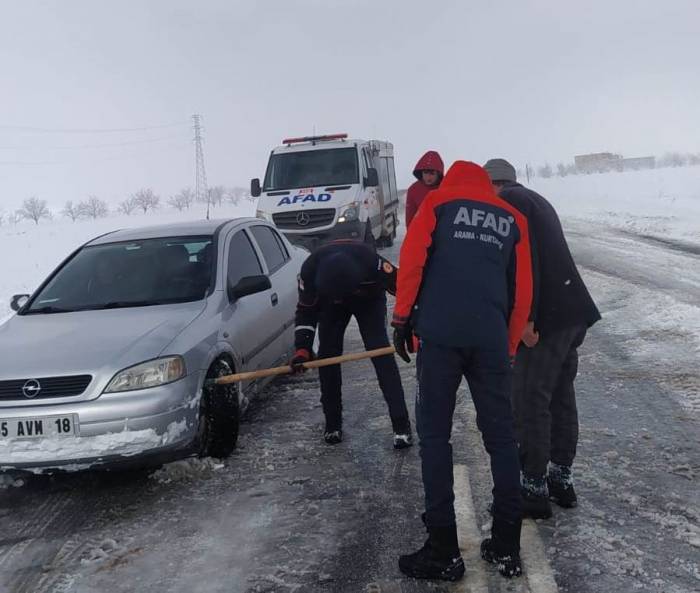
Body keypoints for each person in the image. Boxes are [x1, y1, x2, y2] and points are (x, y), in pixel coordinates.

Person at [392, 161, 533, 580]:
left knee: (435, 438)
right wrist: (506, 345)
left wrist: (401, 320)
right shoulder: (513, 219)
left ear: (450, 180)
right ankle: (507, 545)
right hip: (489, 339)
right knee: (501, 438)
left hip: (440, 339)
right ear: (487, 186)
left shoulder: (436, 204)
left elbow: (412, 261)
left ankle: (443, 551)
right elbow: (522, 290)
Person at [483, 158, 601, 519]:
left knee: (530, 398)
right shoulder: (537, 199)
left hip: (546, 320)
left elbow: (525, 260)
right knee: (560, 398)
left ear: (493, 185)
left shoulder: (511, 203)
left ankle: (533, 489)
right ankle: (560, 480)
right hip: (571, 314)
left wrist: (527, 318)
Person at [290, 239, 413, 448]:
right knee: (328, 356)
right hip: (329, 305)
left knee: (380, 351)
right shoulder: (309, 272)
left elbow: (406, 292)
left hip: (368, 299)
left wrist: (411, 328)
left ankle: (401, 426)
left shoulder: (372, 264)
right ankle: (332, 424)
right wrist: (302, 348)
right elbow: (306, 311)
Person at [405, 151, 444, 227]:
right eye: (425, 172)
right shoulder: (413, 190)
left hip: (443, 232)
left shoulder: (446, 188)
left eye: (432, 173)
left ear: (438, 174)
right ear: (421, 172)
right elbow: (410, 220)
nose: (428, 177)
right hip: (423, 233)